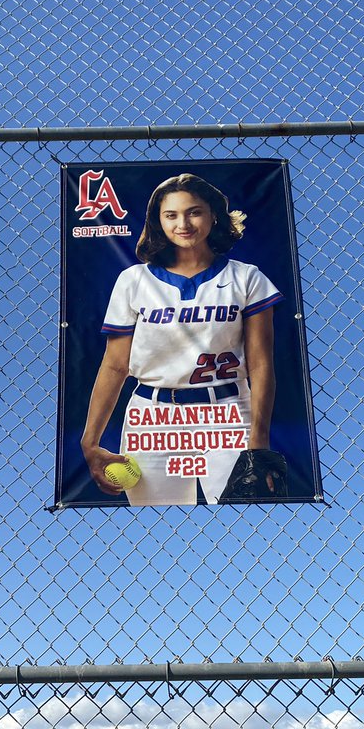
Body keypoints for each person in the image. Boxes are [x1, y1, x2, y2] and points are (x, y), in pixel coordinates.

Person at [81, 173, 282, 505]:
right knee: (155, 525)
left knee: (243, 519)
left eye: (194, 212)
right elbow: (115, 366)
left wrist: (258, 441)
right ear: (157, 221)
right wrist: (90, 441)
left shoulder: (246, 277)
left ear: (213, 214)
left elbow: (261, 364)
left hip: (228, 412)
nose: (183, 224)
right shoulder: (133, 280)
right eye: (171, 215)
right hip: (153, 416)